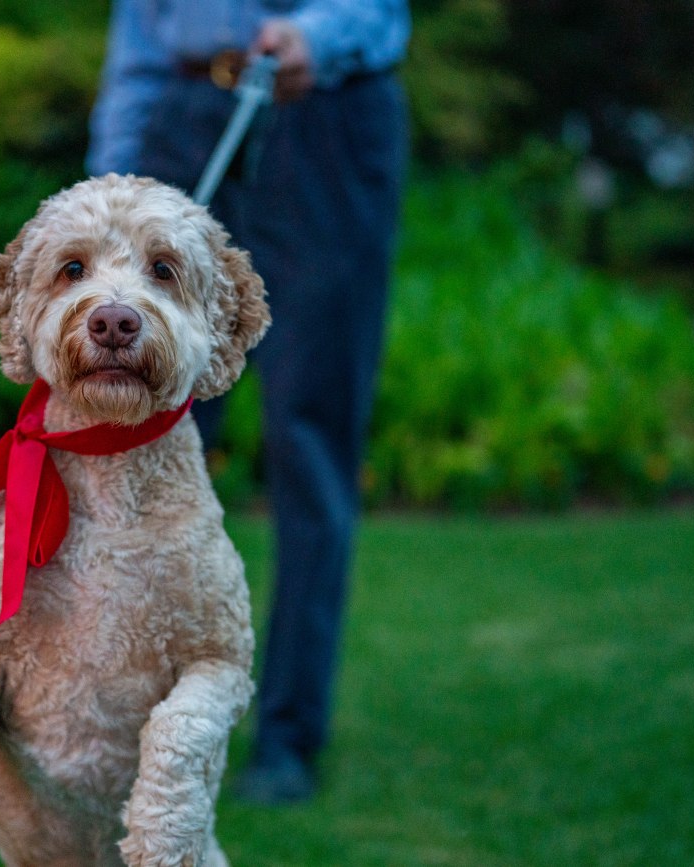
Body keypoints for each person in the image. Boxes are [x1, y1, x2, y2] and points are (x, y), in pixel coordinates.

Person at [87, 0, 410, 804]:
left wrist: (318, 37)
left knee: (310, 438)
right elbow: (138, 39)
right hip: (180, 115)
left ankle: (288, 737)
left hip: (324, 124)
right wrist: (109, 190)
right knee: (142, 443)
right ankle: (123, 729)